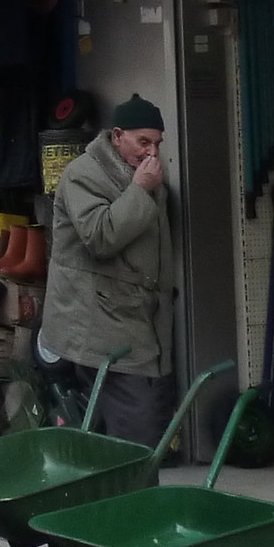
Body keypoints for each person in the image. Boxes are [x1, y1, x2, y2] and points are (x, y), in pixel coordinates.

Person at [43, 95, 179, 447]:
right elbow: (100, 236)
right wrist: (140, 191)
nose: (151, 152)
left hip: (136, 318)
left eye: (157, 144)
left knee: (130, 423)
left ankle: (117, 495)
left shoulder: (141, 175)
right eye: (143, 142)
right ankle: (135, 500)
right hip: (102, 321)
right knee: (137, 428)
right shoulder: (82, 175)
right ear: (117, 136)